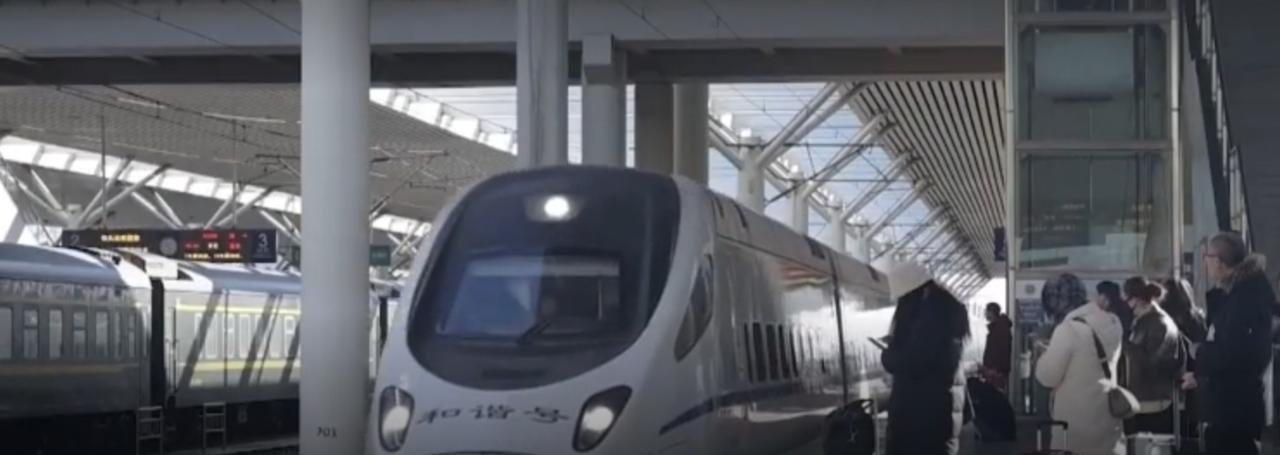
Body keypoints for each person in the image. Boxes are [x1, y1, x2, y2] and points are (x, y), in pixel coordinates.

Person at [1194, 232, 1275, 455]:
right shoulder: (1237, 293)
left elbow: (1235, 352)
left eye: (1207, 256)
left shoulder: (1245, 299)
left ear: (1220, 262)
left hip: (1235, 409)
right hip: (1231, 406)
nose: (1205, 262)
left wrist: (1200, 353)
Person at [881, 262, 968, 455]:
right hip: (937, 414)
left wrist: (888, 353)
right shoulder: (947, 311)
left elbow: (913, 361)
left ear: (911, 293)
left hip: (918, 421)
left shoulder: (931, 317)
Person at [1035, 273, 1125, 455]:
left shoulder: (1068, 330)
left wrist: (1044, 354)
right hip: (1109, 419)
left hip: (1076, 427)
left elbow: (1047, 377)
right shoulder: (1113, 321)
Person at [1121, 277, 1183, 435]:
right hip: (1149, 397)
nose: (1128, 306)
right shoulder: (1151, 320)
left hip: (1151, 400)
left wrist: (1125, 347)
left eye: (1129, 300)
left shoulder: (1156, 323)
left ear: (1139, 299)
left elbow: (1151, 362)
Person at [982, 302, 1013, 389]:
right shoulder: (998, 327)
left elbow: (1002, 351)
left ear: (991, 312)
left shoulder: (1000, 329)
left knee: (995, 393)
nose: (985, 314)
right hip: (994, 371)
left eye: (986, 311)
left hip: (996, 372)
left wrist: (996, 370)